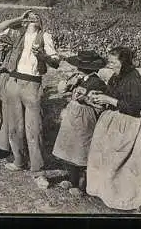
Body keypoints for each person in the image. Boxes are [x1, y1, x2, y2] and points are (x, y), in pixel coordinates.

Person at [0, 10, 60, 175]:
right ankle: (19, 161)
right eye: (29, 16)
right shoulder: (18, 33)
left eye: (36, 16)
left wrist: (43, 56)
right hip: (14, 81)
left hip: (32, 84)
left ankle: (37, 166)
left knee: (34, 127)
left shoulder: (45, 36)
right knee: (14, 126)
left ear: (40, 21)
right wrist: (19, 17)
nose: (32, 18)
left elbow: (56, 62)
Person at [85, 47, 141, 211]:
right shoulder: (116, 76)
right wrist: (99, 94)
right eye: (109, 61)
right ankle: (103, 193)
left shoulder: (135, 80)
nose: (110, 65)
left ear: (124, 62)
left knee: (117, 162)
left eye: (113, 62)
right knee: (104, 157)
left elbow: (137, 108)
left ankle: (120, 200)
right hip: (113, 121)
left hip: (127, 124)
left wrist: (109, 100)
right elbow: (111, 92)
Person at [51, 50, 108, 195]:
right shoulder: (80, 79)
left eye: (80, 67)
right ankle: (72, 179)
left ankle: (82, 185)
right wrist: (70, 83)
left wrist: (84, 98)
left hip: (85, 118)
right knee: (71, 148)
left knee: (81, 149)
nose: (77, 70)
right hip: (73, 116)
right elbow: (62, 90)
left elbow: (98, 103)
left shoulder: (97, 83)